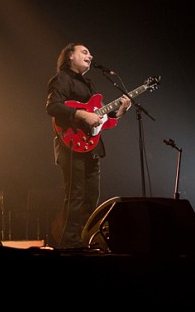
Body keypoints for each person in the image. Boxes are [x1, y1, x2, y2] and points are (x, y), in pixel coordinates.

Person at [45, 43, 131, 249]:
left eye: (90, 53)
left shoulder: (89, 84)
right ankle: (69, 244)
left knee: (91, 196)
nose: (90, 56)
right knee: (75, 194)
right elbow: (53, 106)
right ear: (69, 57)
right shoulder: (61, 79)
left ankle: (85, 239)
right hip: (71, 144)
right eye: (84, 52)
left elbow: (101, 117)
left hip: (91, 146)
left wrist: (121, 110)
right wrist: (81, 114)